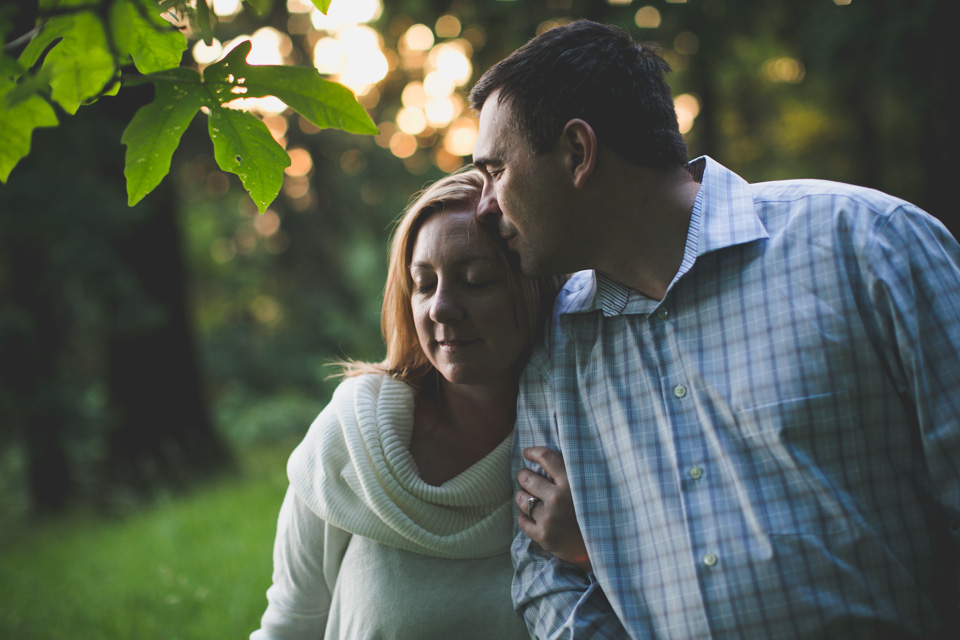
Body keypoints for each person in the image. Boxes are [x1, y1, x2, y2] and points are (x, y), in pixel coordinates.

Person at [469, 18, 960, 640]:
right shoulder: (554, 351)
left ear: (577, 153)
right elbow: (547, 580)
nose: (484, 205)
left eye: (495, 170)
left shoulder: (869, 243)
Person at [250, 169, 564, 639]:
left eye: (475, 280)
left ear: (534, 286)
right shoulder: (353, 437)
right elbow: (288, 627)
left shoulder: (580, 445)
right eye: (424, 283)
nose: (441, 307)